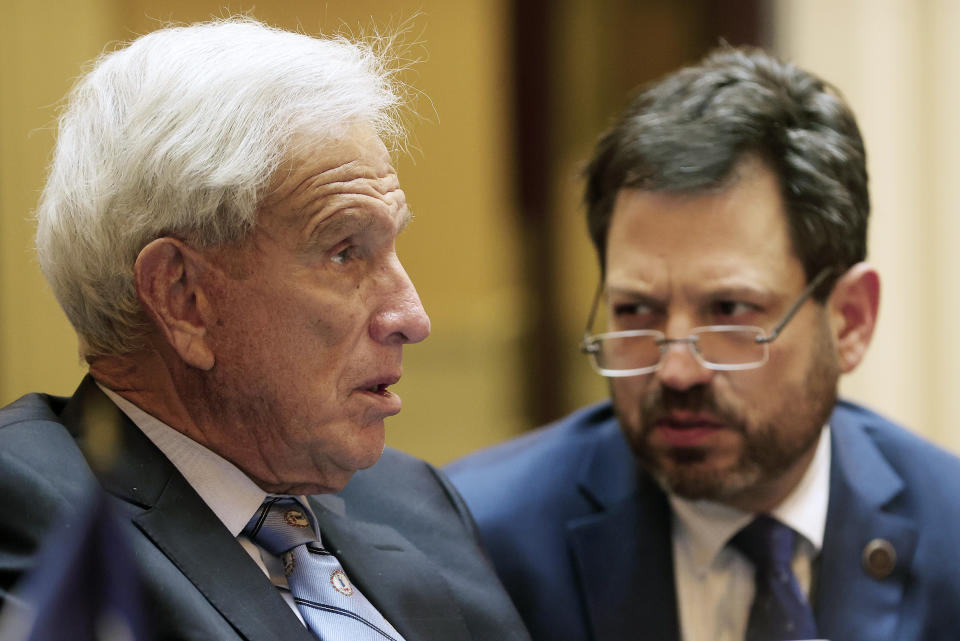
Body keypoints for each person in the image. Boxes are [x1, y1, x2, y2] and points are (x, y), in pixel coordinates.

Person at [0, 18, 529, 641]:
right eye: (345, 252)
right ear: (184, 299)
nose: (412, 319)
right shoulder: (27, 508)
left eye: (393, 247)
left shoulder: (412, 502)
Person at [447, 46, 960, 641]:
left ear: (849, 321)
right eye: (637, 311)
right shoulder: (481, 544)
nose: (677, 371)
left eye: (730, 312)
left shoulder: (949, 534)